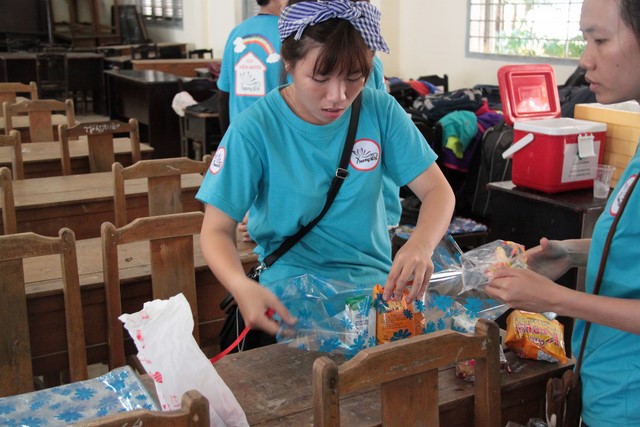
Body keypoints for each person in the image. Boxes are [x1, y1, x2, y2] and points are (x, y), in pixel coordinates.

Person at [197, 0, 454, 341]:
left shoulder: (379, 111)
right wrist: (239, 285)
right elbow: (216, 230)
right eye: (320, 78)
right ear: (289, 63)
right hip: (289, 299)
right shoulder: (254, 129)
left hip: (373, 296)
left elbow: (437, 191)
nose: (338, 96)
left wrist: (420, 244)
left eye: (354, 77)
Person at [485, 1, 640, 425]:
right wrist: (572, 252)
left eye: (600, 40)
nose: (585, 59)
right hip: (607, 388)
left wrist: (555, 299)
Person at [216, 0, 288, 133]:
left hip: (240, 134)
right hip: (275, 135)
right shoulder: (288, 34)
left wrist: (227, 139)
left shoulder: (236, 33)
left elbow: (223, 95)